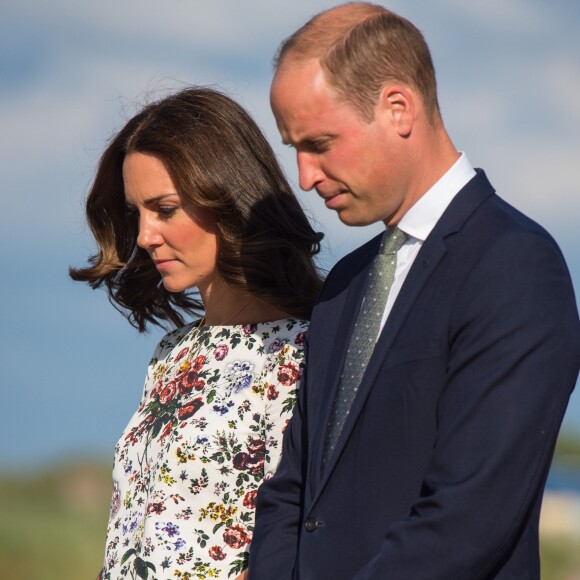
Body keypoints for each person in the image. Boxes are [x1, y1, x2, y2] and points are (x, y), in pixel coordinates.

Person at [248, 4, 580, 579]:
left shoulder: (514, 263)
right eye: (293, 148)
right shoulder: (345, 286)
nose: (303, 175)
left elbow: (468, 518)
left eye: (320, 143)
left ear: (397, 108)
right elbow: (292, 492)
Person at [70, 86, 323, 580]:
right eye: (135, 213)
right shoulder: (172, 353)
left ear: (226, 195)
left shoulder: (307, 350)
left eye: (164, 209)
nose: (144, 236)